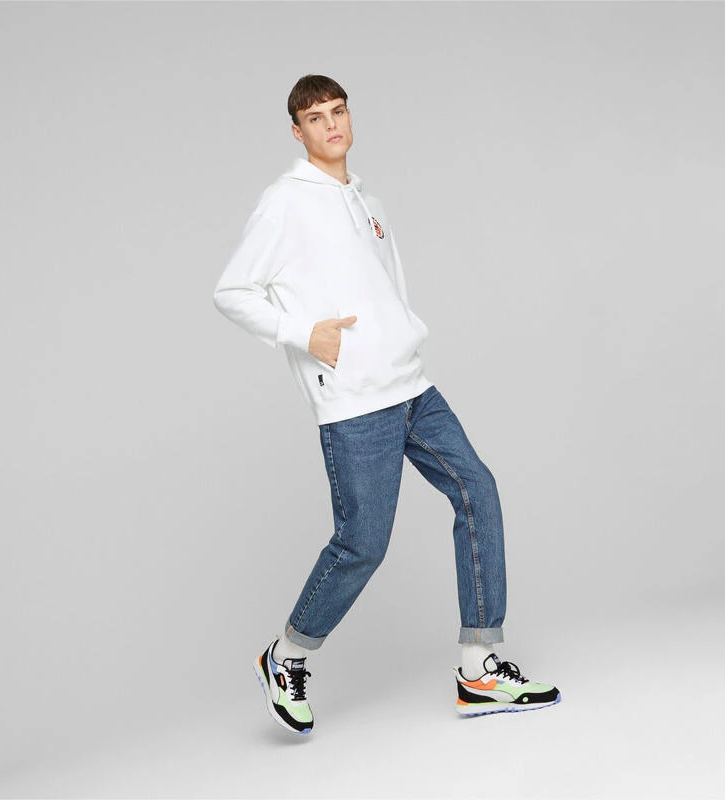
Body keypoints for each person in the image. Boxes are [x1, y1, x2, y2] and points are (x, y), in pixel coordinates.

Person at [213, 74, 561, 734]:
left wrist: (402, 338)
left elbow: (386, 290)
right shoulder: (285, 203)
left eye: (338, 111)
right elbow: (232, 291)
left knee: (478, 491)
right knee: (363, 545)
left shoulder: (366, 199)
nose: (331, 124)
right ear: (297, 131)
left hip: (412, 387)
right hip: (354, 400)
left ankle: (479, 668)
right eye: (316, 117)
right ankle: (287, 655)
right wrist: (304, 334)